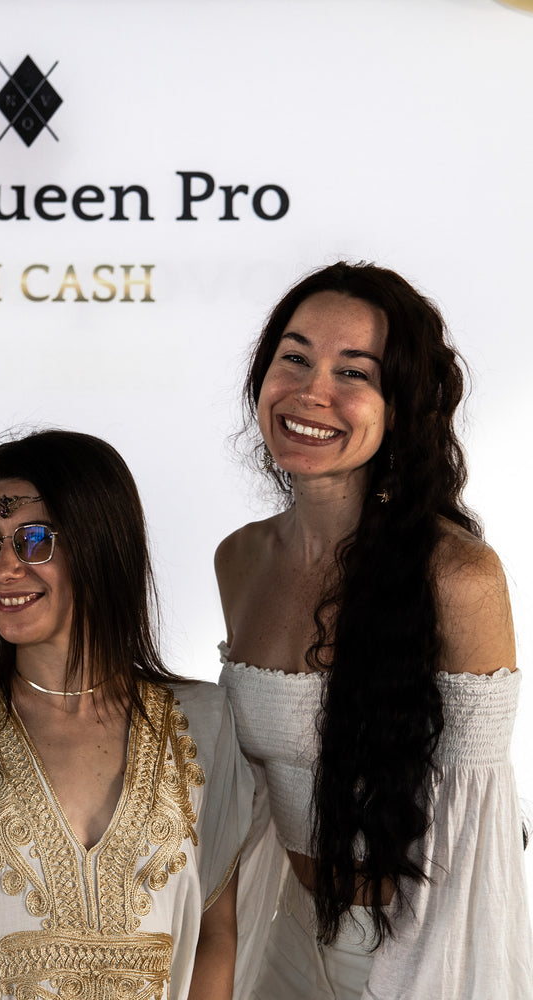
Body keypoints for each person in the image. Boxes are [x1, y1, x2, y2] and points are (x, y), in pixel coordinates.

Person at [216, 262, 533, 998]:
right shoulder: (239, 560)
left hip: (420, 952)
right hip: (284, 937)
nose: (311, 391)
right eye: (294, 358)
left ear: (402, 407)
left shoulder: (458, 575)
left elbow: (477, 839)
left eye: (353, 372)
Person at [0, 429, 253, 1000]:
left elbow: (214, 935)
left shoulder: (202, 724)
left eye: (34, 540)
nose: (2, 569)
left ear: (100, 545)